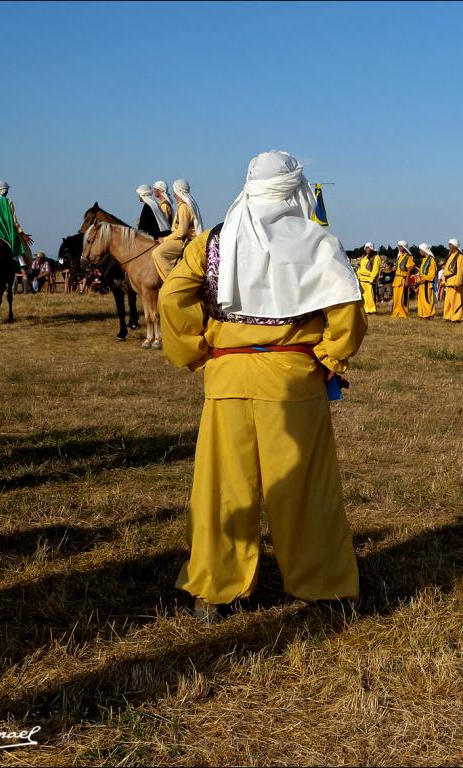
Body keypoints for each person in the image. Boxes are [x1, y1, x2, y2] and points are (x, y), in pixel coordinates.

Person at [158, 150, 365, 620]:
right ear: (295, 188)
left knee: (222, 487)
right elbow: (347, 309)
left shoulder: (213, 241)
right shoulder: (317, 240)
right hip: (293, 379)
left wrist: (197, 349)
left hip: (227, 377)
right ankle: (323, 589)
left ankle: (216, 590)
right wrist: (332, 355)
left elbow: (173, 296)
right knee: (304, 486)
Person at [153, 179, 203, 280]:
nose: (173, 194)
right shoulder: (183, 205)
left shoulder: (184, 207)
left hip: (184, 241)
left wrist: (165, 239)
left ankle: (171, 281)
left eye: (174, 191)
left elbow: (182, 231)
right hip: (181, 238)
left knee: (157, 253)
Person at [442, 238, 463, 322]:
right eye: (449, 244)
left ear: (455, 246)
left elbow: (460, 271)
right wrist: (443, 280)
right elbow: (445, 270)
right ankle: (448, 316)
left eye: (450, 244)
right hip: (448, 282)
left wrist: (458, 282)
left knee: (456, 300)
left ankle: (457, 317)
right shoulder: (450, 256)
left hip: (454, 282)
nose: (449, 246)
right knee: (448, 301)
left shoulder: (460, 256)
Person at [356, 243, 381, 314]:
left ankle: (371, 311)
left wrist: (372, 279)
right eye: (366, 248)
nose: (367, 249)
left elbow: (375, 269)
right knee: (364, 296)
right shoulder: (364, 257)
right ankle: (365, 310)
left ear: (372, 248)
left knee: (370, 296)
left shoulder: (376, 257)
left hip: (369, 280)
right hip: (362, 280)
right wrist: (357, 277)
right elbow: (360, 269)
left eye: (368, 248)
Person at [391, 241, 414, 318]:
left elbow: (409, 270)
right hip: (396, 279)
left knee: (403, 296)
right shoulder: (399, 256)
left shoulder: (409, 257)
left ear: (404, 247)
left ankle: (402, 313)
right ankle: (396, 312)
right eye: (399, 246)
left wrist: (407, 280)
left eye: (401, 246)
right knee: (396, 297)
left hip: (403, 279)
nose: (399, 247)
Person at [416, 243, 437, 319]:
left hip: (427, 284)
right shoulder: (424, 260)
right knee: (422, 300)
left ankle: (428, 315)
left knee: (427, 299)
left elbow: (432, 274)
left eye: (420, 250)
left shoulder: (431, 260)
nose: (419, 251)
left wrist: (424, 278)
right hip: (422, 284)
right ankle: (423, 314)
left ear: (424, 250)